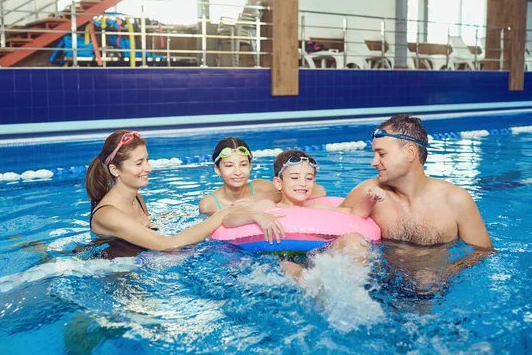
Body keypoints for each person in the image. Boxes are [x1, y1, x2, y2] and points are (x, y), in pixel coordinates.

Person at [339, 114, 494, 293]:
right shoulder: (369, 192)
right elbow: (331, 230)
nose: (373, 162)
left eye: (381, 154)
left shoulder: (455, 200)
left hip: (432, 292)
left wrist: (444, 273)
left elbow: (482, 252)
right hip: (377, 285)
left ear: (410, 152)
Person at [222, 149, 385, 276]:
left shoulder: (314, 207)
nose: (302, 183)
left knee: (355, 242)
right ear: (278, 183)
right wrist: (257, 216)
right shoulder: (268, 206)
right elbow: (229, 219)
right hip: (279, 259)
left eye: (308, 178)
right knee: (293, 269)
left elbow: (353, 215)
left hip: (316, 255)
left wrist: (370, 199)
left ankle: (353, 290)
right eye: (294, 178)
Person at [85, 129, 231, 253]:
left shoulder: (137, 199)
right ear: (115, 169)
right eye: (139, 163)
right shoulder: (108, 215)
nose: (148, 168)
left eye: (147, 160)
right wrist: (220, 215)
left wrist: (175, 216)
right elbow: (167, 244)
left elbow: (147, 229)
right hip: (116, 279)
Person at [199, 137, 326, 216]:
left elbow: (320, 191)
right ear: (217, 169)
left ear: (250, 166)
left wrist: (260, 200)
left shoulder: (259, 187)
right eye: (229, 166)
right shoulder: (209, 204)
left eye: (243, 164)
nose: (237, 172)